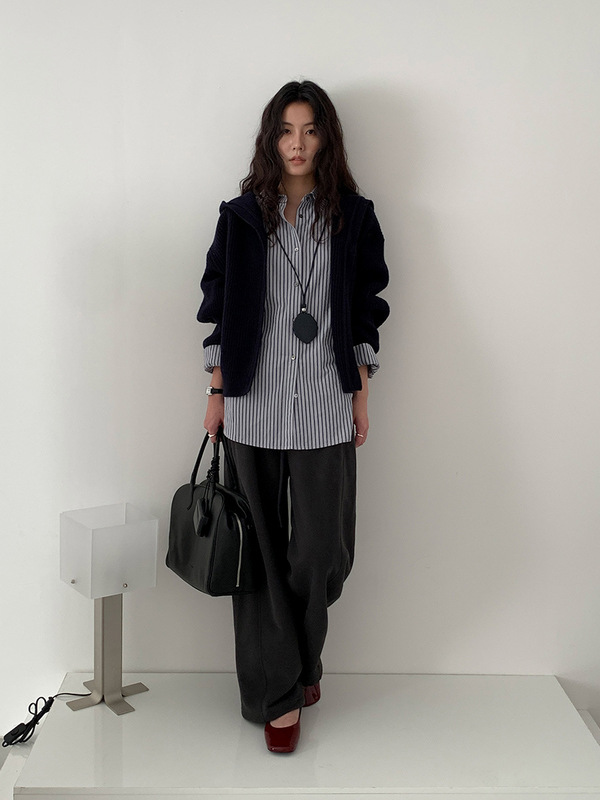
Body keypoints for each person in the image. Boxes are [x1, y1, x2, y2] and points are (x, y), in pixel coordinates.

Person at [197, 80, 389, 753]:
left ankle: (301, 661)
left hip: (326, 403)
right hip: (252, 401)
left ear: (326, 137)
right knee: (260, 555)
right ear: (270, 138)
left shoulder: (354, 216)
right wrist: (216, 389)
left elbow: (365, 303)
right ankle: (278, 696)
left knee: (322, 551)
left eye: (309, 130)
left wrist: (361, 388)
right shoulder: (242, 217)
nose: (297, 144)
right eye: (286, 130)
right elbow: (218, 301)